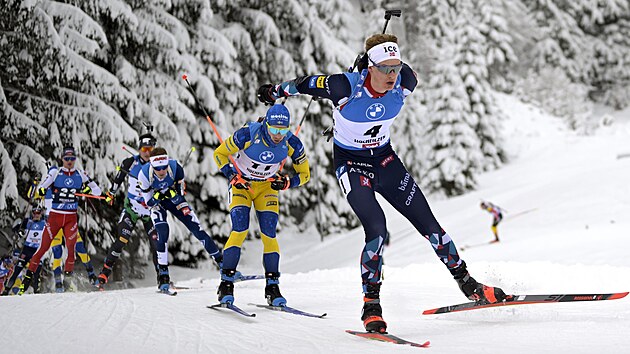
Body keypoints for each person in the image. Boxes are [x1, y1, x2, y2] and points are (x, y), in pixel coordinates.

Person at [257, 33, 509, 333]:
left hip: (386, 161)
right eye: (385, 68)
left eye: (396, 67)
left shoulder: (406, 80)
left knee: (431, 227)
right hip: (351, 164)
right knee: (377, 230)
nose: (393, 75)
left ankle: (469, 285)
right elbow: (302, 84)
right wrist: (275, 91)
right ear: (369, 67)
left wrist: (389, 63)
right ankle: (371, 305)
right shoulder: (343, 86)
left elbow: (401, 71)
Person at [212, 104, 310, 306]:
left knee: (269, 234)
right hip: (243, 185)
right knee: (240, 230)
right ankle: (226, 285)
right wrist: (231, 176)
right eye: (274, 129)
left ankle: (273, 288)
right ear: (266, 124)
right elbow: (219, 154)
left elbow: (305, 174)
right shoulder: (248, 134)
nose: (277, 135)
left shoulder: (292, 142)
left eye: (282, 131)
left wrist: (287, 182)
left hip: (266, 188)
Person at [18, 146, 103, 295]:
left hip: (71, 218)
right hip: (54, 218)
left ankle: (67, 283)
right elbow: (39, 190)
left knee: (72, 251)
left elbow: (98, 191)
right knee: (43, 249)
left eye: (72, 158)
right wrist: (41, 190)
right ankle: (25, 283)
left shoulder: (80, 175)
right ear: (62, 159)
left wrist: (88, 190)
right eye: (66, 158)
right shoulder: (55, 172)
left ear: (75, 159)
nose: (69, 161)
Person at [138, 147, 222, 293]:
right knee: (162, 232)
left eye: (164, 167)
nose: (162, 172)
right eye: (158, 169)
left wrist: (172, 194)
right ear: (152, 166)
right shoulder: (144, 175)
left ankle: (223, 264)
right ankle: (163, 276)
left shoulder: (176, 168)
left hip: (173, 201)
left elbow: (180, 195)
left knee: (196, 228)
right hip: (157, 204)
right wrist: (157, 197)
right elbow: (149, 203)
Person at [93, 133, 160, 290]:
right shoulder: (130, 162)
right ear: (139, 148)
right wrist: (111, 194)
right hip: (132, 209)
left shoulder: (158, 165)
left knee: (157, 243)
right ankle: (104, 274)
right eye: (144, 148)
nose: (147, 152)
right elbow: (118, 179)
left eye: (150, 149)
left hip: (149, 211)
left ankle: (162, 277)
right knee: (122, 238)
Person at [2, 205, 46, 295]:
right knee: (17, 270)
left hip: (37, 251)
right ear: (32, 213)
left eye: (38, 213)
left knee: (36, 273)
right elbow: (16, 229)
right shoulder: (27, 221)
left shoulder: (45, 223)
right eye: (35, 213)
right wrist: (20, 231)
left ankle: (36, 291)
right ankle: (6, 290)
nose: (36, 215)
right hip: (27, 249)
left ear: (41, 214)